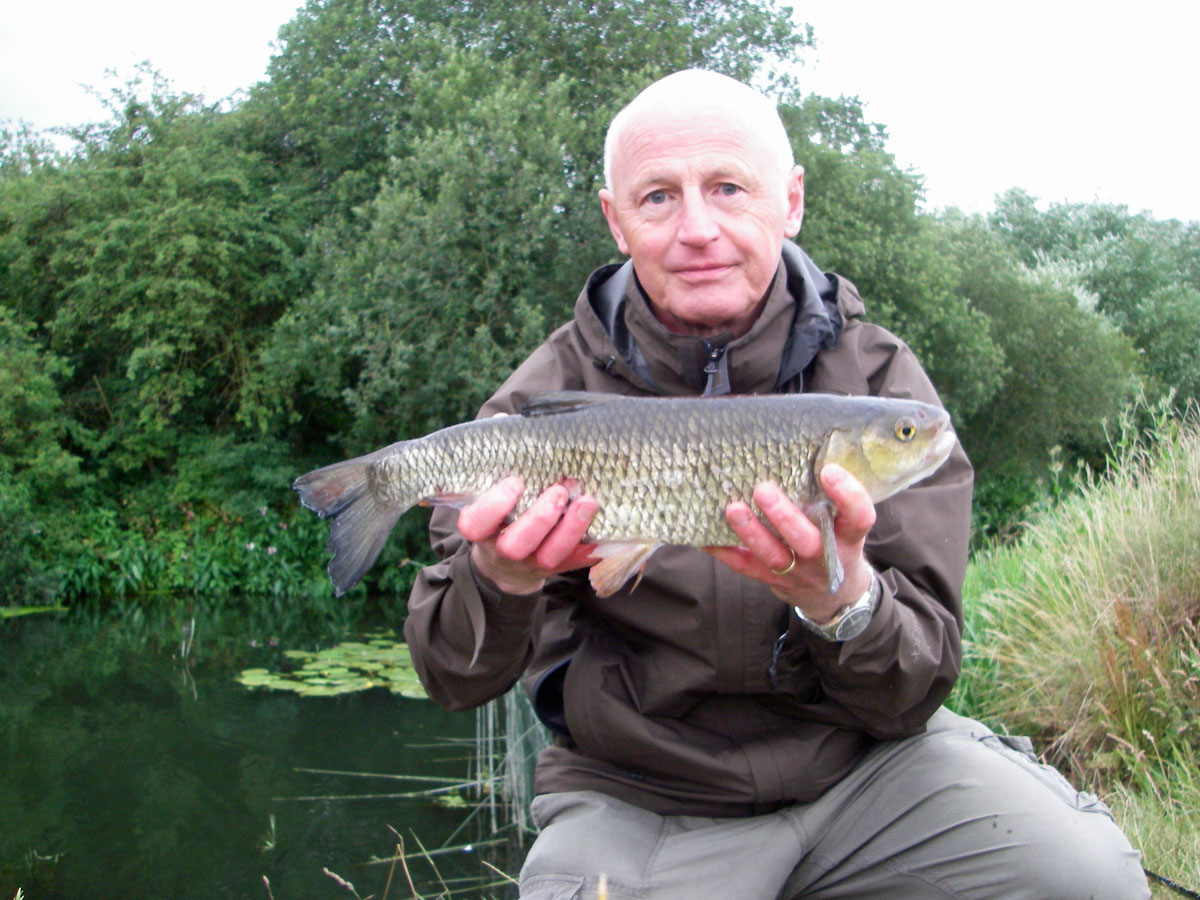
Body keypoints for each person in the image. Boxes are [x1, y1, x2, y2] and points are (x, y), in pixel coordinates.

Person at [404, 69, 1149, 899]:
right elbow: (451, 675)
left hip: (864, 769)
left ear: (789, 201)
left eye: (728, 187)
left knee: (1086, 877)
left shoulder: (877, 382)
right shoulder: (540, 401)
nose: (698, 229)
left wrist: (844, 603)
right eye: (658, 197)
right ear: (616, 221)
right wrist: (502, 580)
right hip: (644, 794)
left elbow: (918, 682)